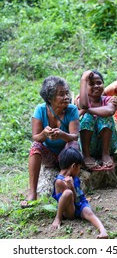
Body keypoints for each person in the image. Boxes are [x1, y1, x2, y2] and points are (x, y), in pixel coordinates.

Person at [21, 76, 79, 208]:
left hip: (67, 156)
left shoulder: (72, 110)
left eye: (66, 93)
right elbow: (36, 137)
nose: (66, 97)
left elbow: (74, 136)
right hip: (50, 155)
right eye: (61, 94)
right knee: (35, 147)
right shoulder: (40, 110)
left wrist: (62, 134)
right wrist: (45, 134)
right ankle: (32, 193)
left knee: (73, 145)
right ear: (50, 98)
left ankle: (68, 186)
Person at [52, 147, 108, 238]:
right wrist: (71, 187)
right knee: (68, 193)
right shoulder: (59, 182)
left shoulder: (73, 176)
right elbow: (73, 200)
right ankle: (58, 218)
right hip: (70, 210)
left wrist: (72, 185)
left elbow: (79, 200)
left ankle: (103, 231)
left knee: (89, 213)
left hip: (80, 203)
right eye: (79, 168)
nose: (79, 171)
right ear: (73, 166)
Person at [76, 70, 117, 171]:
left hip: (108, 144)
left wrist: (87, 110)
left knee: (104, 116)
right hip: (89, 145)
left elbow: (109, 111)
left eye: (99, 83)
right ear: (85, 87)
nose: (96, 86)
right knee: (87, 117)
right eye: (91, 84)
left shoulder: (108, 99)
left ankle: (105, 154)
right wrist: (83, 79)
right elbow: (84, 105)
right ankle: (86, 156)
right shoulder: (81, 100)